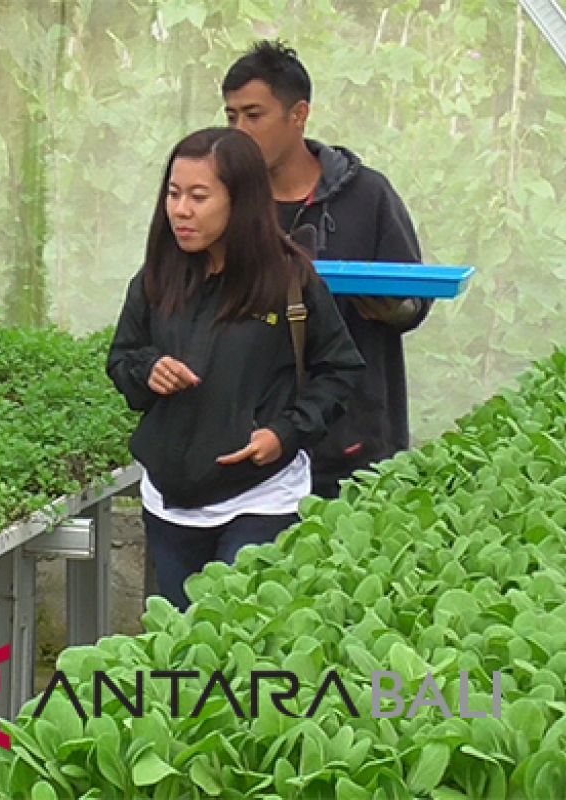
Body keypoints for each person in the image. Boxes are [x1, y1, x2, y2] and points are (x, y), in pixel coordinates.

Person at [107, 127, 364, 610]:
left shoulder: (289, 282)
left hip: (261, 499)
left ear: (241, 200)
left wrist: (285, 433)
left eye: (199, 196)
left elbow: (339, 369)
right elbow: (122, 357)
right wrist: (149, 370)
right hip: (170, 502)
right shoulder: (157, 277)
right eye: (174, 193)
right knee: (185, 648)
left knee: (236, 636)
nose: (181, 210)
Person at [222, 40, 431, 499]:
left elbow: (415, 299)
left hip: (351, 442)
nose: (239, 130)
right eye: (231, 116)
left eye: (253, 115)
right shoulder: (225, 202)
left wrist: (392, 308)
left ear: (299, 115)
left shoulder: (367, 195)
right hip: (254, 443)